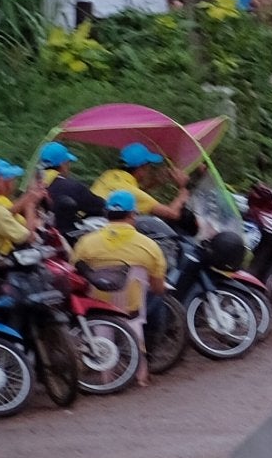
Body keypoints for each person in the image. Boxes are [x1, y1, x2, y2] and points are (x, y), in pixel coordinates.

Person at [71, 191, 169, 382]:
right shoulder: (148, 245)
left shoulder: (86, 242)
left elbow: (75, 270)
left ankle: (107, 375)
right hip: (131, 310)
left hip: (98, 311)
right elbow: (157, 287)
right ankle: (143, 372)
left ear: (107, 214)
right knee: (158, 296)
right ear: (132, 215)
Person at [94, 142, 190, 226]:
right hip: (107, 229)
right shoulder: (130, 191)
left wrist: (155, 182)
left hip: (91, 222)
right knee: (150, 223)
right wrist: (183, 188)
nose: (148, 170)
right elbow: (173, 213)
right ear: (141, 168)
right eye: (148, 167)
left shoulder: (108, 175)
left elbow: (136, 196)